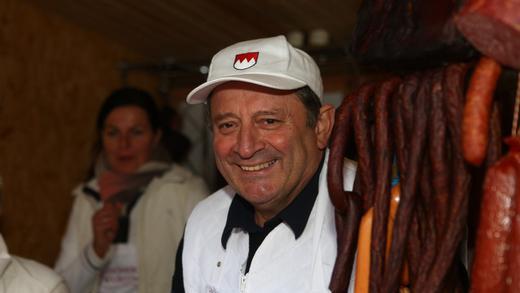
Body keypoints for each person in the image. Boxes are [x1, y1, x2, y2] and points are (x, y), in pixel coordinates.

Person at [172, 35, 357, 292]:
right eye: (228, 125)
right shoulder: (204, 222)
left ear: (321, 126)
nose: (246, 147)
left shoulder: (375, 211)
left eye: (269, 121)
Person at [54, 87, 208, 293]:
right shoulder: (87, 197)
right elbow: (58, 288)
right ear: (101, 138)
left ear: (156, 137)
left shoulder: (186, 191)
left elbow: (209, 277)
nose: (123, 144)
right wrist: (95, 252)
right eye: (113, 133)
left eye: (136, 132)